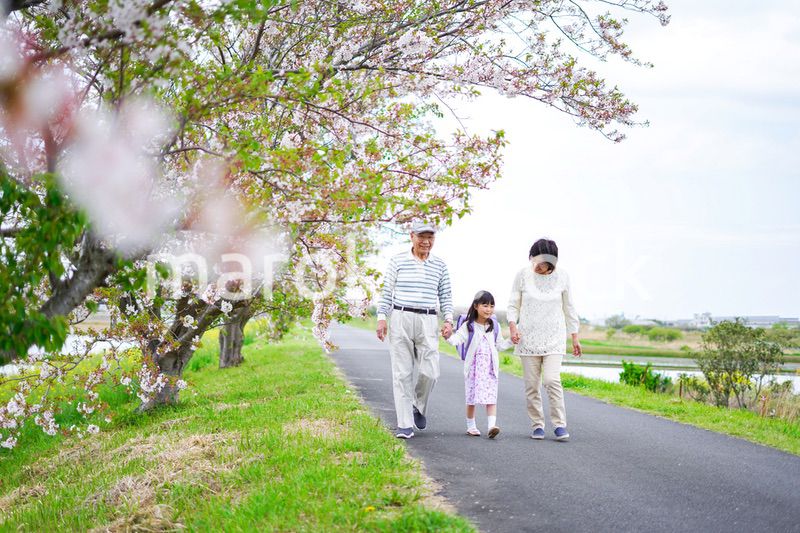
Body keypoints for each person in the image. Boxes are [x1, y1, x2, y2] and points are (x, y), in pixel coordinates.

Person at [376, 221, 454, 439]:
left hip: (428, 319)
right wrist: (382, 317)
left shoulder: (440, 265)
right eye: (422, 237)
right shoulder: (398, 261)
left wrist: (448, 321)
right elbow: (386, 292)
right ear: (412, 236)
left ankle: (418, 404)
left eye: (430, 237)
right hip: (401, 317)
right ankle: (404, 424)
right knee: (402, 373)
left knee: (431, 372)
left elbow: (446, 296)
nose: (426, 242)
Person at [507, 238, 582, 441]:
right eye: (534, 261)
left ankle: (559, 424)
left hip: (554, 338)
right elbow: (513, 304)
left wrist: (575, 336)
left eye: (543, 263)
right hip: (527, 338)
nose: (537, 267)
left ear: (553, 262)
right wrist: (513, 327)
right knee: (532, 385)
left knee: (551, 380)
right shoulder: (522, 275)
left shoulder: (563, 277)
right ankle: (537, 424)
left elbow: (569, 307)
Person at [447, 290, 512, 438]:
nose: (489, 309)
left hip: (490, 368)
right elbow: (456, 340)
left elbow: (499, 345)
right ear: (476, 306)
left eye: (491, 306)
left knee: (491, 398)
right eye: (485, 305)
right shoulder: (468, 326)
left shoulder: (494, 326)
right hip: (473, 369)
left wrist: (511, 341)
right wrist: (448, 336)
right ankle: (471, 426)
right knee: (471, 398)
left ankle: (491, 427)